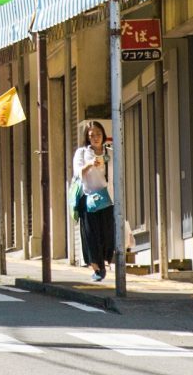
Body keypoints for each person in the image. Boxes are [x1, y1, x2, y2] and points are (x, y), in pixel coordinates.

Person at [73, 120, 115, 281]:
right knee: (91, 236)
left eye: (98, 134)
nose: (95, 138)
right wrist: (90, 164)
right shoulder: (82, 153)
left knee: (107, 235)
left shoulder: (110, 153)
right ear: (87, 138)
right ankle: (97, 269)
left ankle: (105, 261)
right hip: (89, 198)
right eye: (92, 135)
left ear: (103, 135)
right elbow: (78, 173)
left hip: (108, 199)